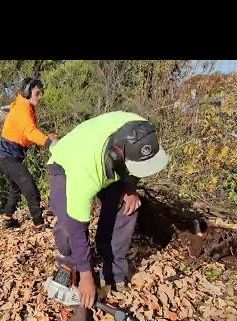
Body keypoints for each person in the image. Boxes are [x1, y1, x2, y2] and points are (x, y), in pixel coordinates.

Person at [47, 112, 169, 308]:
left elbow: (135, 169)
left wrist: (130, 188)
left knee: (128, 206)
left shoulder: (142, 130)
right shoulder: (85, 172)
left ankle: (113, 269)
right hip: (66, 163)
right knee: (68, 225)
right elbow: (78, 227)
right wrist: (86, 276)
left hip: (109, 159)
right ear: (118, 155)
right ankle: (70, 262)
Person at [0, 77, 58, 229]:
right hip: (9, 156)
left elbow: (26, 136)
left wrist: (45, 138)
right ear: (27, 92)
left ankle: (7, 219)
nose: (40, 96)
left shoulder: (25, 107)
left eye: (41, 93)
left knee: (16, 189)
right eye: (37, 93)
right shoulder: (22, 109)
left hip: (9, 155)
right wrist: (49, 143)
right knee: (31, 189)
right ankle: (39, 224)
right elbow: (30, 132)